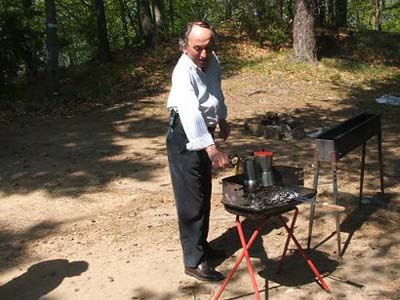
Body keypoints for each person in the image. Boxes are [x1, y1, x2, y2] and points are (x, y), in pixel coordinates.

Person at [166, 21, 231, 282]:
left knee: (203, 193)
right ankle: (193, 261)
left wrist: (223, 118)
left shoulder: (212, 60)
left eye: (208, 46)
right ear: (184, 47)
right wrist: (212, 149)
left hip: (204, 133)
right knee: (191, 200)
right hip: (184, 135)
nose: (204, 54)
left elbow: (215, 93)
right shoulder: (183, 72)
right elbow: (191, 113)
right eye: (197, 49)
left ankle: (202, 246)